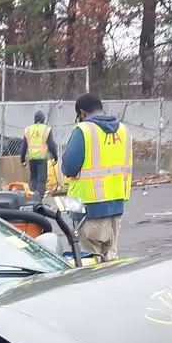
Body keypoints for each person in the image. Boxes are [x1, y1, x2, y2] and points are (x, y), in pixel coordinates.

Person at [60, 94, 132, 262]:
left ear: (82, 113)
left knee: (89, 262)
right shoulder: (123, 130)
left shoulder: (83, 130)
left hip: (85, 206)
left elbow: (69, 167)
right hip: (116, 203)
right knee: (110, 259)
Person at [20, 111, 58, 202]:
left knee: (33, 178)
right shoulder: (46, 129)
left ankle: (33, 197)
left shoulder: (28, 129)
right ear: (43, 119)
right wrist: (55, 156)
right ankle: (39, 199)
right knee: (42, 179)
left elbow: (24, 145)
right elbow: (51, 144)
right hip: (42, 157)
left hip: (32, 157)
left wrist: (22, 159)